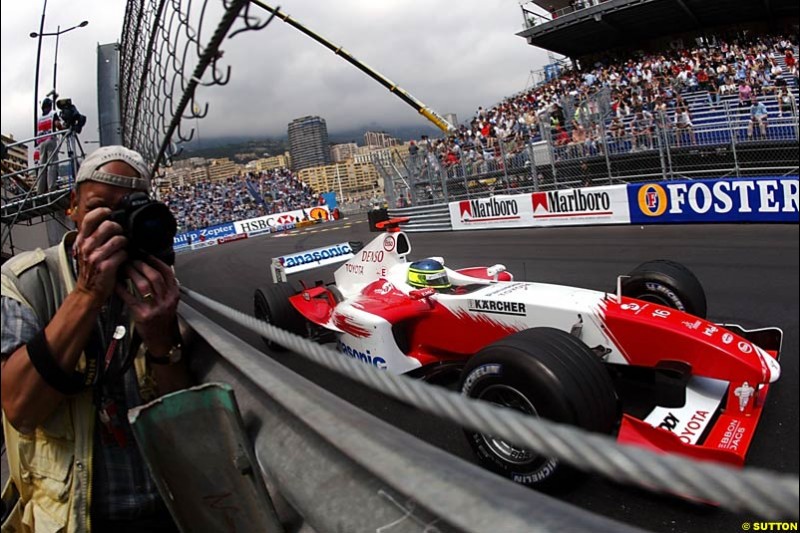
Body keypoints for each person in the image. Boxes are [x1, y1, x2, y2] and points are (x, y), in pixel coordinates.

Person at [1, 145, 191, 532]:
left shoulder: (156, 285)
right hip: (75, 516)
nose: (113, 229)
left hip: (167, 506)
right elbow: (20, 409)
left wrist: (160, 337)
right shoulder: (26, 281)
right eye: (100, 209)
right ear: (72, 206)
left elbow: (184, 414)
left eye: (128, 211)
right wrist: (87, 295)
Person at [35, 98, 63, 195]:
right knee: (52, 164)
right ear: (50, 106)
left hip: (41, 142)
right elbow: (57, 124)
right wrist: (63, 129)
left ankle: (40, 190)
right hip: (50, 139)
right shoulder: (52, 114)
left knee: (42, 166)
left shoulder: (39, 118)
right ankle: (52, 188)